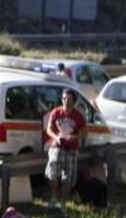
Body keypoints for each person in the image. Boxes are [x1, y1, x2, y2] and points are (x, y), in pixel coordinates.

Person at [44, 88, 87, 217]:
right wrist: (56, 137)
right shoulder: (56, 112)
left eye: (69, 99)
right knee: (53, 169)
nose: (66, 101)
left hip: (72, 149)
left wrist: (75, 137)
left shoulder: (78, 116)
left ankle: (63, 203)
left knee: (68, 179)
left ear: (73, 100)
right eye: (64, 98)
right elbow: (49, 129)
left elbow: (84, 131)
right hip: (57, 146)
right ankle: (53, 198)